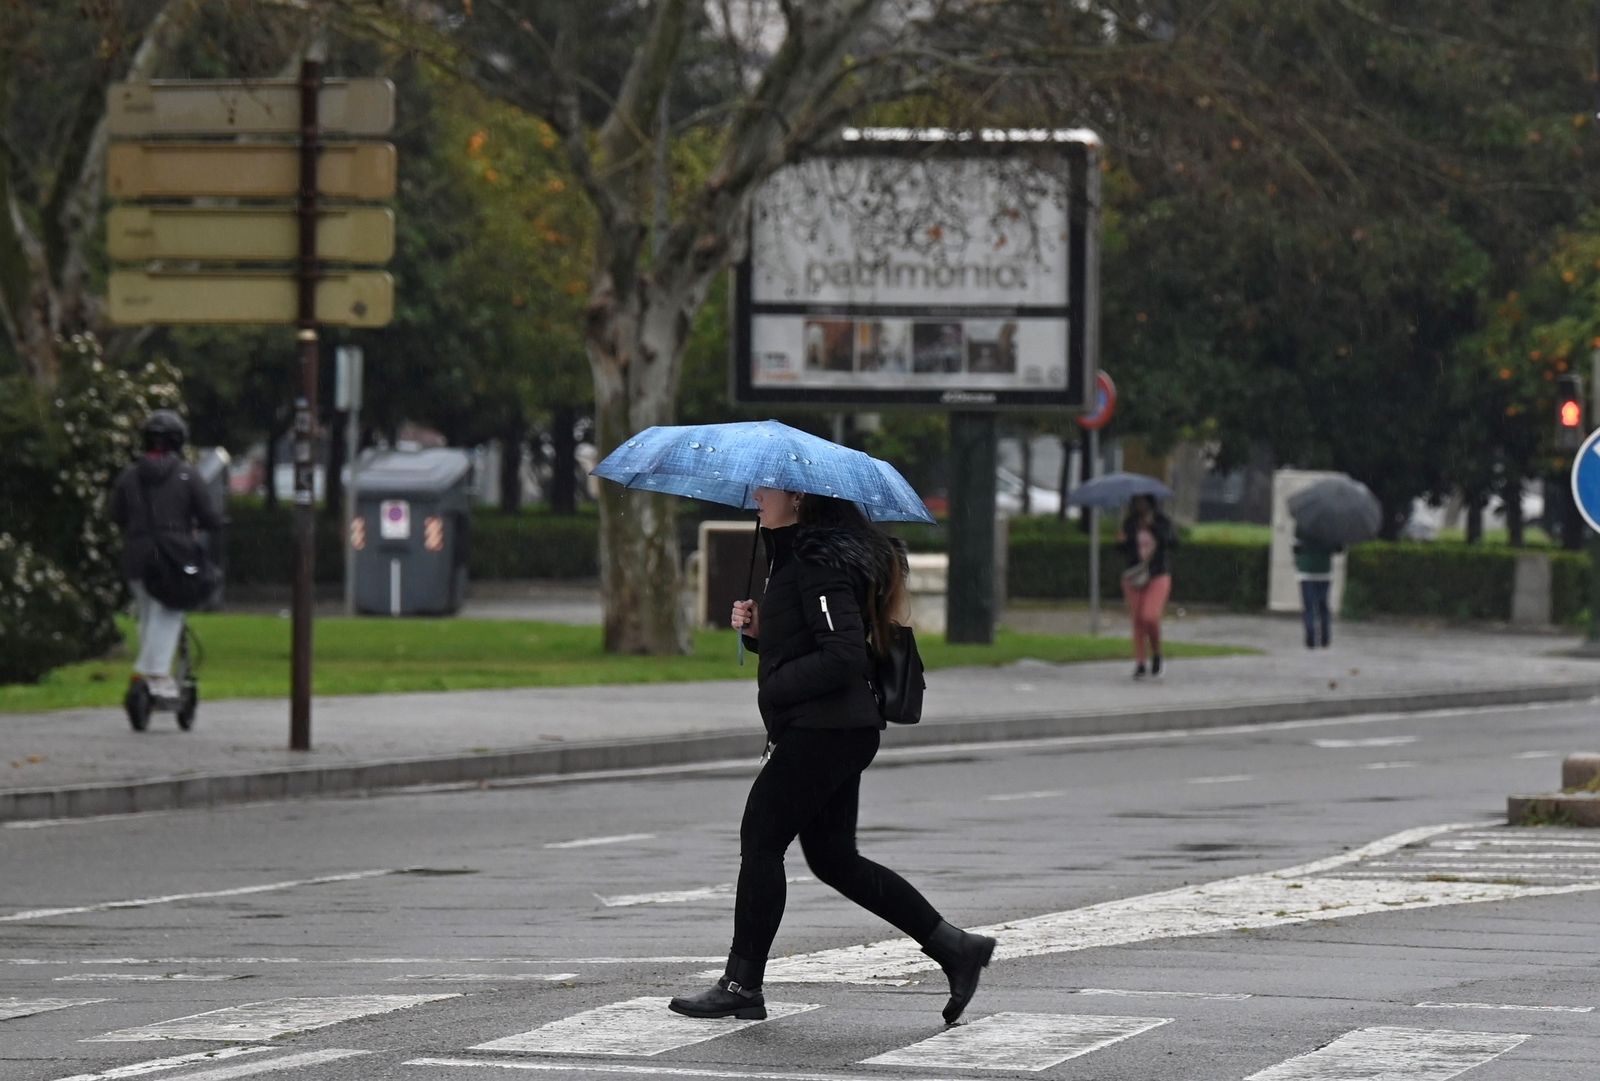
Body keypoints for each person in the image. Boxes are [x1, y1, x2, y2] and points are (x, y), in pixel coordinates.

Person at [668, 487, 996, 1025]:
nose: (755, 496)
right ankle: (955, 948)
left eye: (764, 489)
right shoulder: (798, 556)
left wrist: (776, 687)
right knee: (833, 858)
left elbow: (842, 653)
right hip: (836, 726)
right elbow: (812, 638)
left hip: (825, 729)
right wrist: (759, 633)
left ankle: (742, 983)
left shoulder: (815, 561)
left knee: (762, 836)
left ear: (795, 498)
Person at [109, 410, 222, 702]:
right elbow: (208, 516)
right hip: (174, 556)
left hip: (137, 557)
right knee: (171, 611)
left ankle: (145, 677)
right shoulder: (187, 475)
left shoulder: (128, 477)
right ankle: (156, 675)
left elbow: (116, 515)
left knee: (148, 614)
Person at [1117, 494, 1177, 680]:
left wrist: (1152, 526)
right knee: (1138, 621)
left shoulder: (1161, 521)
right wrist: (1121, 541)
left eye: (1143, 501)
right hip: (1134, 576)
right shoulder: (1130, 523)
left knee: (1150, 616)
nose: (1140, 505)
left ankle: (1157, 652)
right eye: (1137, 502)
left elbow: (1172, 542)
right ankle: (1141, 662)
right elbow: (1125, 551)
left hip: (1157, 575)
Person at [1294, 532, 1339, 648]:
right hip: (1324, 571)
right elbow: (1338, 548)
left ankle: (1310, 638)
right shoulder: (1330, 528)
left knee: (1309, 606)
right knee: (1323, 606)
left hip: (1306, 571)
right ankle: (1325, 638)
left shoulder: (1303, 526)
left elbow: (1296, 548)